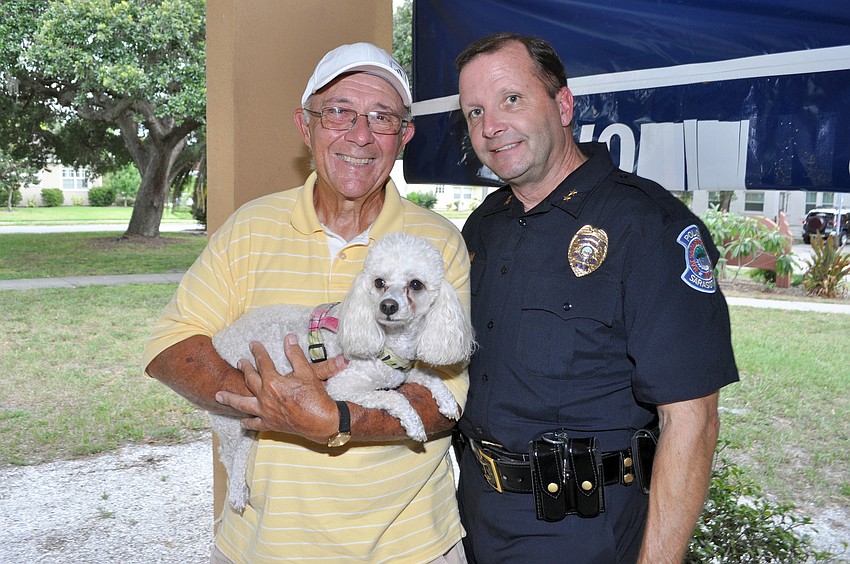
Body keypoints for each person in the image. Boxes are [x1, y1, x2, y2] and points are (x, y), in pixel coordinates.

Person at [143, 42, 470, 563]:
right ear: (306, 126)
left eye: (382, 117)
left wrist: (337, 417)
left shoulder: (438, 243)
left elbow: (446, 401)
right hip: (263, 546)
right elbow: (169, 349)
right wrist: (274, 400)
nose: (360, 134)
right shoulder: (249, 228)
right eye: (338, 111)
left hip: (410, 546)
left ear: (404, 136)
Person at [452, 32, 739, 563]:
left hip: (581, 532)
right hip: (472, 519)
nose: (490, 126)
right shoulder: (482, 227)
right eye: (475, 112)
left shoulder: (648, 226)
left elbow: (691, 421)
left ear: (563, 105)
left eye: (511, 99)